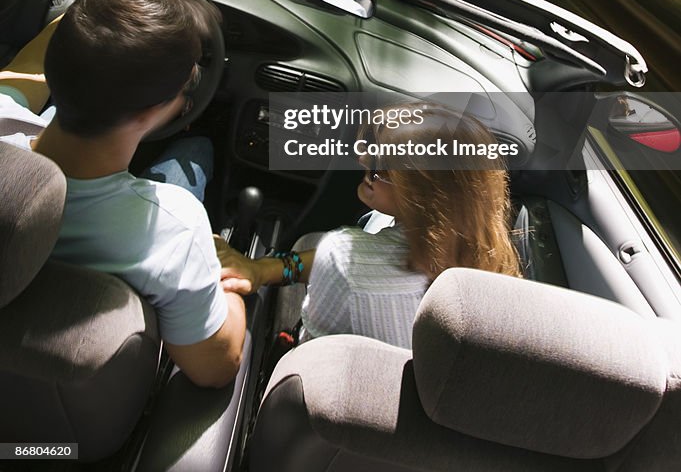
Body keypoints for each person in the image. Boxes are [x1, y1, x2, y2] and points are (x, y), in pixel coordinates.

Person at [0, 0, 245, 389]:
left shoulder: (5, 114)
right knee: (196, 149)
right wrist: (234, 284)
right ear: (156, 111)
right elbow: (219, 366)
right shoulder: (175, 230)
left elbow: (22, 77)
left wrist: (95, 4)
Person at [218, 105, 522, 349]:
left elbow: (312, 348)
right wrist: (267, 269)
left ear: (421, 195)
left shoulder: (343, 256)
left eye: (381, 164)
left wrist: (259, 269)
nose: (362, 159)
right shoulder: (493, 254)